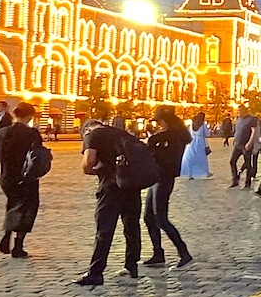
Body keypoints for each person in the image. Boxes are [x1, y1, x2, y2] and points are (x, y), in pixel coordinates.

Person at [75, 119, 143, 286]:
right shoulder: (121, 133)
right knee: (132, 226)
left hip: (111, 187)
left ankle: (96, 272)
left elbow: (89, 161)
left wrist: (92, 170)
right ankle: (131, 265)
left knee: (104, 230)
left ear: (86, 130)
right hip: (131, 185)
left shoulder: (93, 135)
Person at [143, 106, 193, 266]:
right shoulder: (175, 134)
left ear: (165, 121)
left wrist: (152, 144)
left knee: (161, 218)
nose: (158, 124)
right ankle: (158, 253)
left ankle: (183, 252)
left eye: (159, 121)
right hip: (159, 177)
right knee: (149, 217)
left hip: (163, 177)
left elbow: (159, 154)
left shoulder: (170, 135)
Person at [0, 101, 44, 259]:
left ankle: (6, 236)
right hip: (26, 176)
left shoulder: (2, 132)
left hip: (6, 176)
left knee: (11, 205)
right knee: (27, 209)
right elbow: (37, 156)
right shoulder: (31, 134)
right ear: (29, 116)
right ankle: (18, 245)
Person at [228, 105, 258, 187]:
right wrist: (235, 139)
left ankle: (247, 183)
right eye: (237, 111)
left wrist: (250, 142)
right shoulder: (238, 119)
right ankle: (235, 180)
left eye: (240, 111)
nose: (238, 112)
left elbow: (253, 131)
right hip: (238, 144)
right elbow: (237, 130)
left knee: (248, 164)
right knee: (232, 161)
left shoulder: (251, 119)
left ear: (245, 111)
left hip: (246, 145)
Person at [180, 111, 211, 178]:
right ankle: (204, 172)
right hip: (200, 142)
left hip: (191, 141)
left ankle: (188, 172)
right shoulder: (203, 125)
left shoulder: (191, 124)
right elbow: (207, 134)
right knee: (201, 158)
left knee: (189, 157)